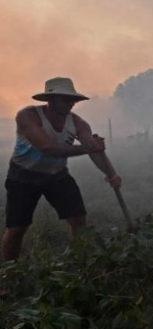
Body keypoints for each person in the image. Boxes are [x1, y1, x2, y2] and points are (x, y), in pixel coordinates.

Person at [2, 77, 123, 266]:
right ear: (51, 99)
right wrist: (89, 147)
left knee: (78, 220)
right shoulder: (28, 116)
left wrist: (112, 174)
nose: (71, 103)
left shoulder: (78, 123)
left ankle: (81, 265)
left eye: (73, 99)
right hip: (22, 176)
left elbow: (95, 152)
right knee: (17, 228)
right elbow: (47, 147)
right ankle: (8, 275)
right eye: (66, 99)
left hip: (57, 175)